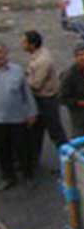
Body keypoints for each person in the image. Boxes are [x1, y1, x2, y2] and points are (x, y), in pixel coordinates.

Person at [22, 31, 68, 167]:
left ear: (32, 44)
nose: (22, 45)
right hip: (40, 99)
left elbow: (36, 84)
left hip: (46, 100)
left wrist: (21, 80)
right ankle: (33, 160)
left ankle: (68, 160)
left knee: (55, 131)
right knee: (35, 131)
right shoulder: (37, 55)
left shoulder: (42, 61)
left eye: (25, 42)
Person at [0, 42, 38, 190]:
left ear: (6, 53)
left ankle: (28, 175)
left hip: (18, 118)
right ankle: (8, 177)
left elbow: (27, 94)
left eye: (1, 53)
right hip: (0, 122)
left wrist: (32, 112)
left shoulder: (17, 71)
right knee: (3, 151)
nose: (0, 56)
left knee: (22, 148)